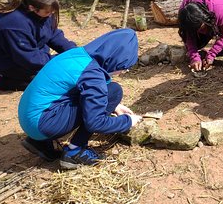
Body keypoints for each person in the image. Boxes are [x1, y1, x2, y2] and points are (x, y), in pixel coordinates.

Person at [17, 28, 142, 169]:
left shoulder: (78, 54)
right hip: (42, 124)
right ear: (115, 59)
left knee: (108, 93)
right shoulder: (93, 74)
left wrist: (115, 106)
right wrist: (127, 121)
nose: (123, 72)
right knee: (114, 91)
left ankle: (40, 143)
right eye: (123, 67)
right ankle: (75, 151)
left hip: (29, 119)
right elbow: (95, 123)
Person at [0, 0, 76, 94]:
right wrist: (60, 60)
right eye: (48, 12)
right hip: (3, 59)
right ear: (32, 8)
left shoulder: (44, 12)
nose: (51, 14)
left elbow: (53, 34)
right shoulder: (14, 24)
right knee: (48, 81)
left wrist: (73, 52)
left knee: (59, 73)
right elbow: (29, 59)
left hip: (26, 51)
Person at [178, 0, 223, 72]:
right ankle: (201, 55)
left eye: (201, 28)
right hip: (209, 19)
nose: (200, 32)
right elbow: (188, 35)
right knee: (196, 43)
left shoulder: (222, 10)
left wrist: (212, 54)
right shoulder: (185, 13)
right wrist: (194, 56)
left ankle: (207, 54)